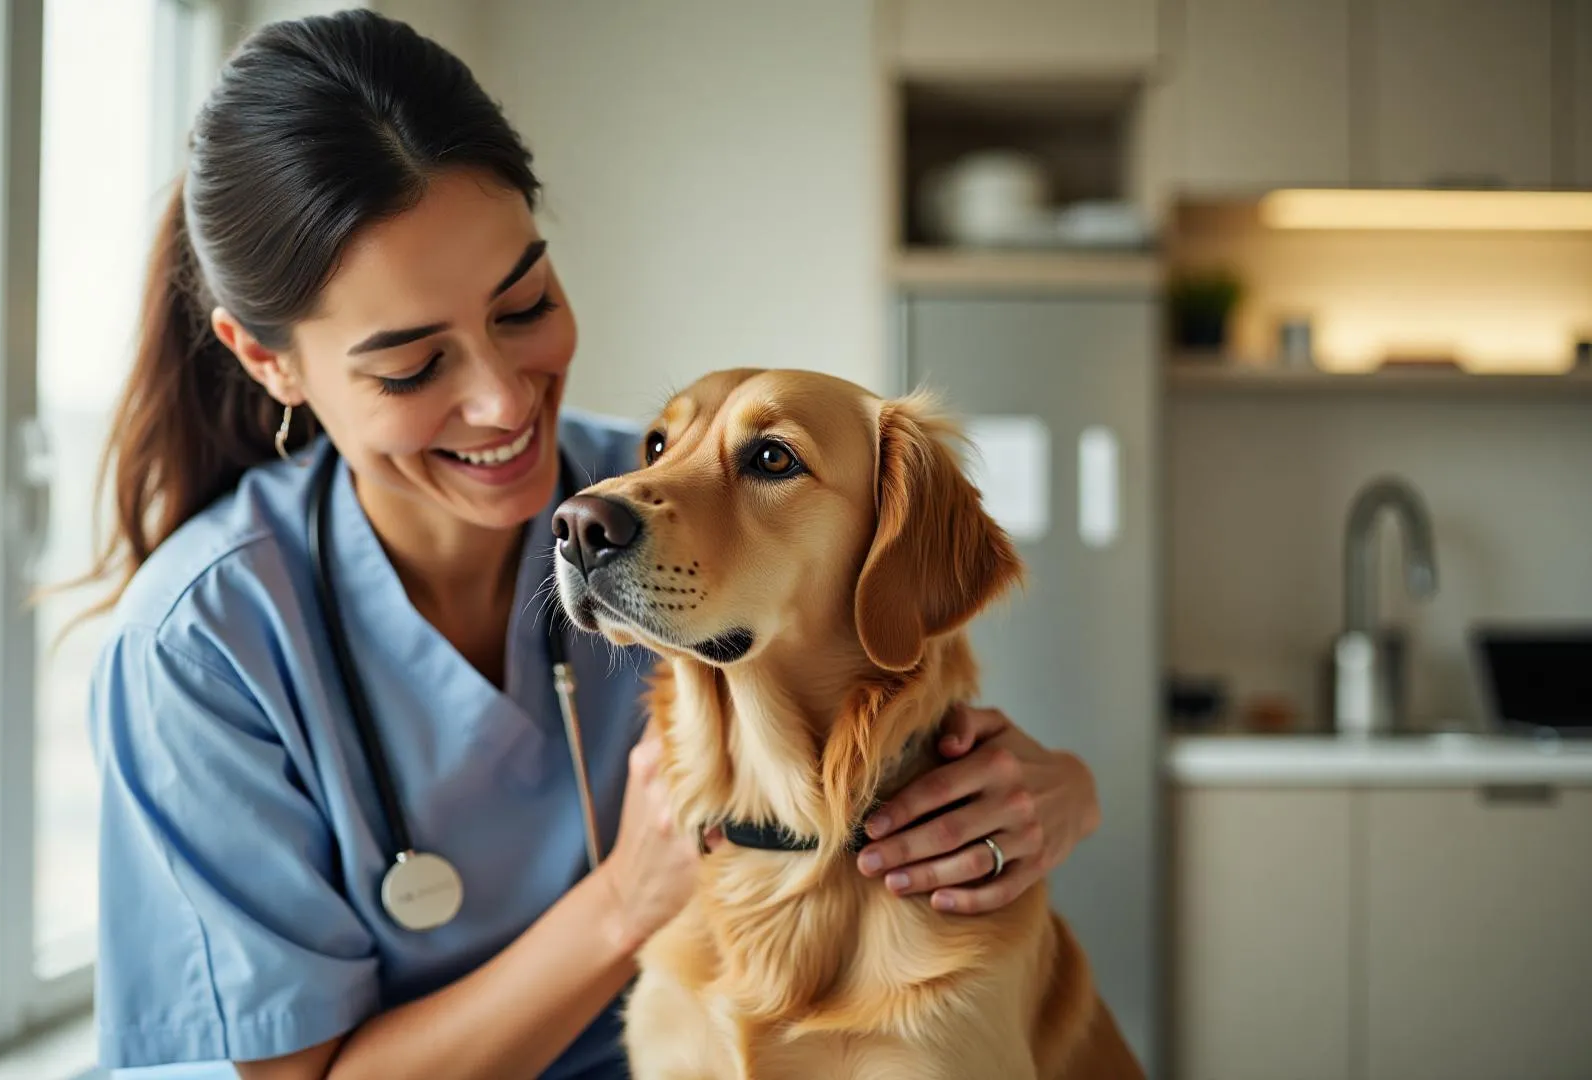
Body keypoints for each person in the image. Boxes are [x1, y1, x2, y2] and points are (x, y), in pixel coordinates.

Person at [81, 10, 1104, 1080]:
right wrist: (627, 898)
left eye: (524, 305)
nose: (502, 399)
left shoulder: (655, 506)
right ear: (269, 361)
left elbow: (890, 683)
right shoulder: (201, 645)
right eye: (412, 366)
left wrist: (1061, 789)